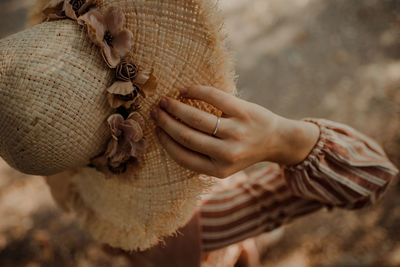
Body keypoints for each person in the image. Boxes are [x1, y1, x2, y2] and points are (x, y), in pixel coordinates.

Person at [128, 84, 398, 266]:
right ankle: (253, 243)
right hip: (205, 237)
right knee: (255, 225)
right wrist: (280, 139)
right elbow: (374, 175)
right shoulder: (197, 221)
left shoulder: (100, 203)